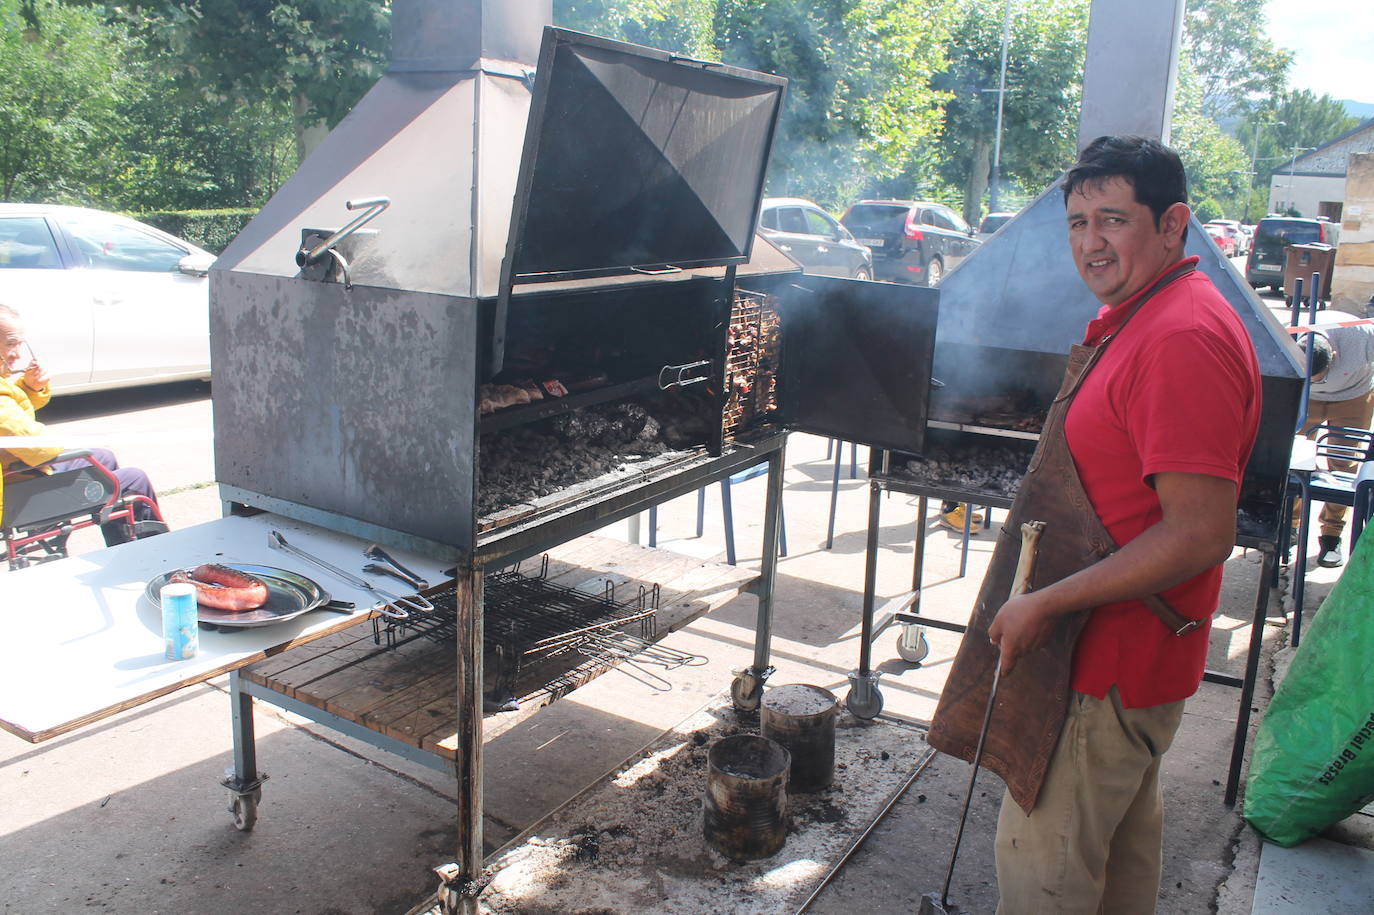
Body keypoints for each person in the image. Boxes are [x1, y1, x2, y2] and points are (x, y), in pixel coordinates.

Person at [985, 137, 1262, 912]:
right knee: (1115, 884)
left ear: (1172, 224)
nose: (1090, 242)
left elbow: (1202, 531)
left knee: (1046, 879)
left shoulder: (1180, 337)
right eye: (1077, 222)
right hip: (1119, 669)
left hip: (1105, 671)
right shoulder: (1144, 314)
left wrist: (1047, 600)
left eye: (1113, 220)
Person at [0, 304, 163, 546]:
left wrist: (30, 388)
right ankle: (152, 554)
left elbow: (10, 413)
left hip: (13, 473)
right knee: (133, 480)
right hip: (13, 495)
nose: (18, 353)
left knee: (103, 458)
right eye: (11, 343)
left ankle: (121, 543)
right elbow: (37, 446)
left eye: (20, 343)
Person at [1294, 324, 1374, 567]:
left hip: (1353, 397)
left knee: (1344, 463)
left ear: (1335, 356)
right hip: (1307, 398)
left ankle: (1331, 535)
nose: (1323, 382)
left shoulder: (1361, 338)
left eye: (1323, 377)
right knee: (1295, 460)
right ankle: (1290, 525)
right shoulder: (1291, 334)